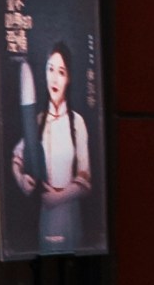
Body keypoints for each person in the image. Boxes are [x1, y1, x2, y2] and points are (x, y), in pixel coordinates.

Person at [12, 41, 93, 237]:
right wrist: (21, 179)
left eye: (61, 72)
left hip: (70, 218)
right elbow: (17, 157)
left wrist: (58, 198)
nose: (54, 78)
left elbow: (86, 178)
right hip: (44, 220)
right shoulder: (38, 121)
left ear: (69, 78)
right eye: (50, 69)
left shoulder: (77, 123)